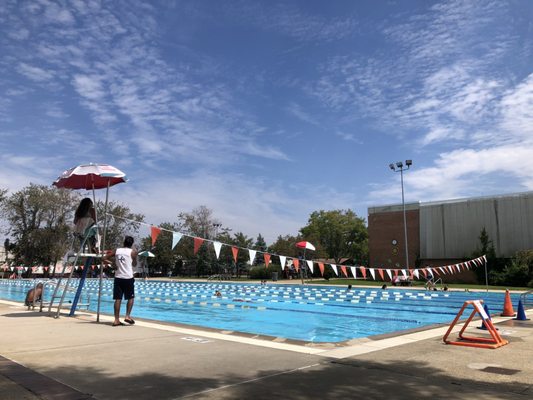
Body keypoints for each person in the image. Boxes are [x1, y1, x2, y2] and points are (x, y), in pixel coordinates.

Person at [104, 236, 138, 327]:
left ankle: (116, 320)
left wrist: (112, 264)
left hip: (118, 277)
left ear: (124, 242)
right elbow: (134, 264)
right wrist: (134, 259)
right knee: (131, 298)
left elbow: (104, 258)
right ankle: (127, 316)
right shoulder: (133, 252)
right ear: (131, 244)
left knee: (118, 299)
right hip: (128, 277)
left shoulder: (117, 250)